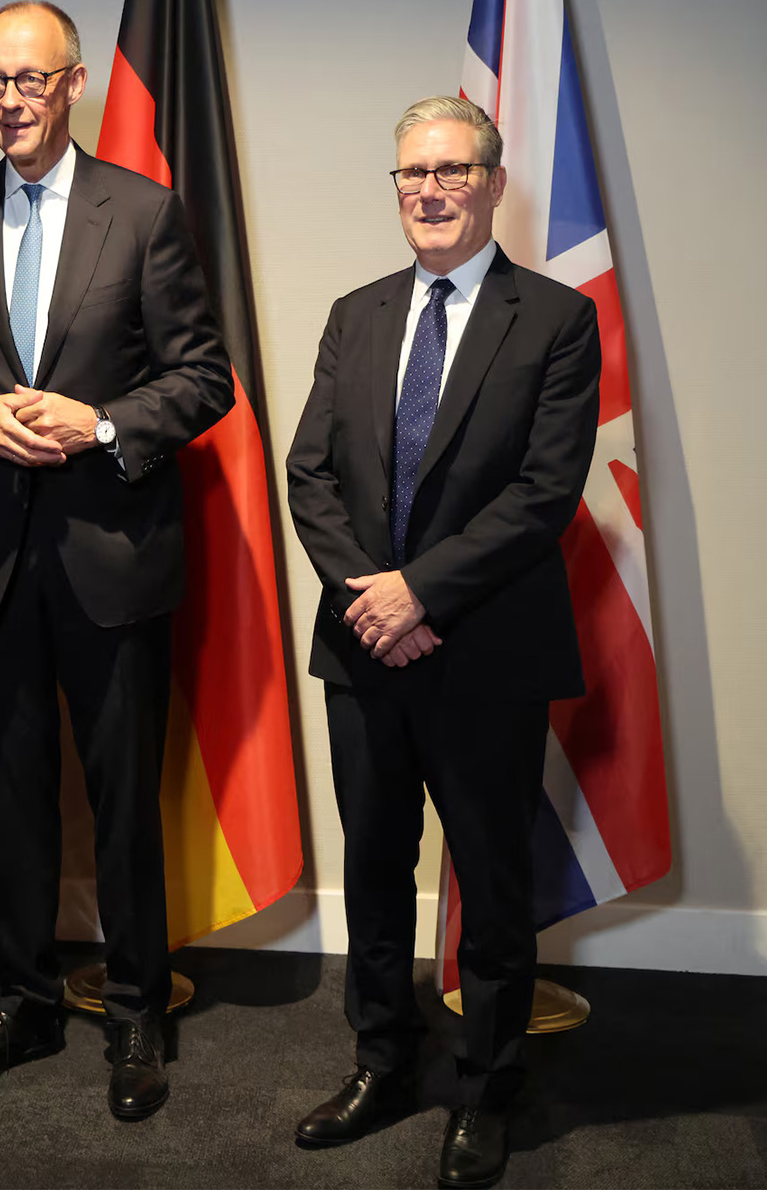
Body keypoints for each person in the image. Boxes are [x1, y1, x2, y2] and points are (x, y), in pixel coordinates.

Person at [0, 0, 232, 1121]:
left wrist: (98, 426)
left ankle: (135, 1009)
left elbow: (202, 376)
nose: (9, 102)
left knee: (126, 802)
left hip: (112, 554)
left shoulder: (143, 212)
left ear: (74, 85)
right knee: (17, 801)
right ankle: (25, 999)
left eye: (29, 81)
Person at [286, 95, 600, 1188]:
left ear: (491, 182)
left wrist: (419, 593)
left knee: (490, 885)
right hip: (363, 653)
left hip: (485, 652)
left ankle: (489, 1088)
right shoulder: (355, 312)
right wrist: (370, 601)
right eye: (411, 174)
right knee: (373, 874)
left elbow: (542, 493)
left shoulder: (556, 319)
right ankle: (381, 1063)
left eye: (450, 172)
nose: (427, 191)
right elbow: (309, 473)